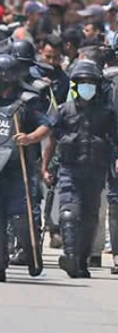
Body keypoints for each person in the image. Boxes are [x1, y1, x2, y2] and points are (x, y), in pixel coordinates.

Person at [0, 53, 51, 282]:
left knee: (20, 217)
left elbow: (46, 126)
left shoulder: (27, 101)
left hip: (18, 170)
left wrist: (29, 137)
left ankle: (32, 253)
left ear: (5, 79)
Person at [44, 60, 118, 278]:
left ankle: (81, 260)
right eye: (82, 82)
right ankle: (69, 255)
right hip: (69, 170)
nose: (87, 86)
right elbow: (51, 139)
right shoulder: (64, 111)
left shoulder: (106, 113)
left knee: (89, 219)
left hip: (95, 171)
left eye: (91, 82)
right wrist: (45, 167)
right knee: (69, 213)